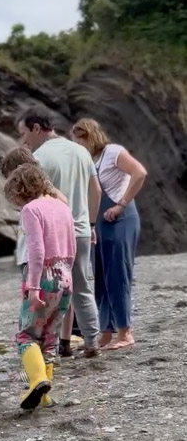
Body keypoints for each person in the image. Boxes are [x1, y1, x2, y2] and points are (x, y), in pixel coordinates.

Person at [18, 107, 101, 358]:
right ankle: (91, 342)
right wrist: (92, 224)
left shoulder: (38, 158)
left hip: (52, 234)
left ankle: (43, 346)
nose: (24, 141)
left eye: (25, 134)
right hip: (81, 230)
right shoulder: (81, 151)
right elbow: (95, 190)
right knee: (82, 287)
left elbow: (33, 198)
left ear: (36, 128)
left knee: (51, 289)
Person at [4, 164, 76, 410]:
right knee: (50, 337)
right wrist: (67, 274)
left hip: (43, 276)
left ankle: (37, 380)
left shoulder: (31, 209)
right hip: (66, 275)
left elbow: (36, 251)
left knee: (26, 335)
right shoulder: (63, 207)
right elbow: (72, 247)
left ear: (21, 189)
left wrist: (33, 287)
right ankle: (44, 396)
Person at [72, 118, 146, 350]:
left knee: (117, 275)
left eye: (79, 140)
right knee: (101, 277)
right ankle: (106, 331)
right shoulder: (89, 161)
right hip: (100, 223)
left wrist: (121, 204)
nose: (77, 145)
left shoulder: (113, 152)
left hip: (120, 218)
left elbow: (139, 173)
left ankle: (125, 332)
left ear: (89, 136)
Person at [1, 146, 69, 272]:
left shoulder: (42, 189)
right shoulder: (35, 192)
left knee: (35, 289)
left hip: (34, 257)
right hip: (27, 254)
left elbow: (63, 201)